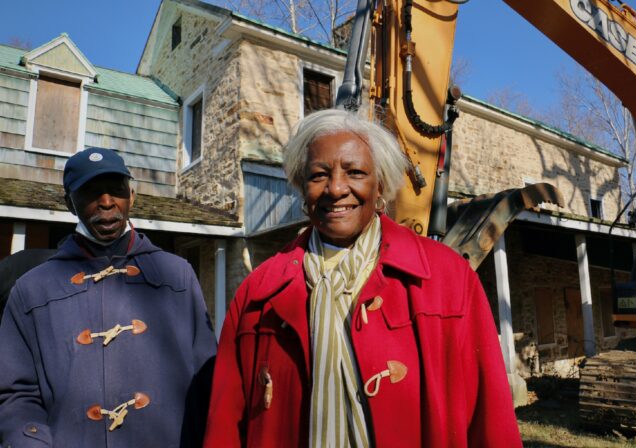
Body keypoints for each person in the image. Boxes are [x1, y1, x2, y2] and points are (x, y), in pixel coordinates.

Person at [204, 109, 522, 447]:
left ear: (380, 183)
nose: (336, 188)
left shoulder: (447, 279)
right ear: (302, 186)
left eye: (355, 172)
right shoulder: (259, 293)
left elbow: (491, 417)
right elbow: (225, 423)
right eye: (318, 174)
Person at [0, 147, 216, 447]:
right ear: (70, 204)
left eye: (116, 190)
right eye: (90, 192)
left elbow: (208, 379)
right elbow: (14, 393)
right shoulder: (32, 289)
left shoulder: (176, 276)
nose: (106, 202)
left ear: (132, 196)